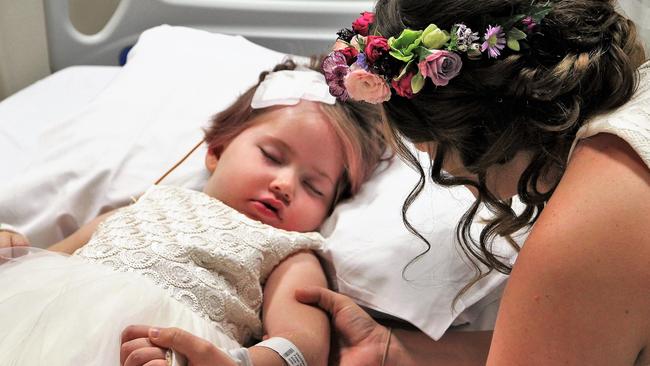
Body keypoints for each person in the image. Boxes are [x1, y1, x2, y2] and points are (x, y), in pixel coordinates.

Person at [129, 1, 650, 365]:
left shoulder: (592, 220)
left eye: (438, 159)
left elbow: (293, 345)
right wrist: (391, 351)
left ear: (481, 129)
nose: (455, 182)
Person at [0, 60, 387, 366]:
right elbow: (47, 261)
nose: (285, 184)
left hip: (159, 349)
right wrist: (11, 250)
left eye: (313, 186)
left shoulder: (290, 250)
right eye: (272, 157)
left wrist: (234, 362)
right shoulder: (147, 203)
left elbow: (304, 347)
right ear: (216, 151)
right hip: (42, 323)